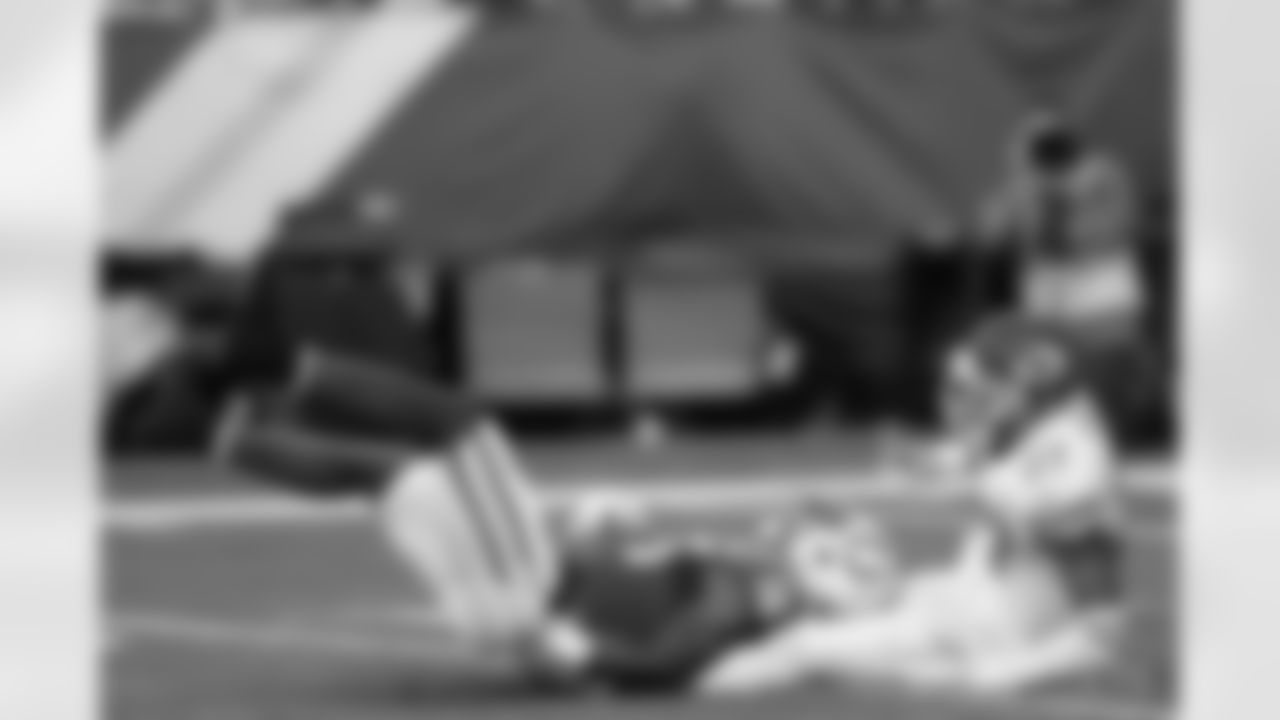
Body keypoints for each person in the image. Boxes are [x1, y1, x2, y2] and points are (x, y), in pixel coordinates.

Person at [214, 349, 901, 695]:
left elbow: (671, 658)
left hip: (531, 588)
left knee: (462, 424)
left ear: (821, 566)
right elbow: (635, 601)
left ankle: (297, 368)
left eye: (814, 539)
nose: (784, 529)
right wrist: (597, 532)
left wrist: (583, 654)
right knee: (395, 477)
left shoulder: (752, 594)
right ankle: (238, 441)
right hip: (524, 594)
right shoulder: (744, 588)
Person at [698, 315, 1127, 695]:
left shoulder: (1070, 476)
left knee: (805, 647)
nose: (964, 403)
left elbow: (1101, 635)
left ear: (1031, 388)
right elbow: (967, 466)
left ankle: (673, 684)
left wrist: (992, 676)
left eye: (985, 390)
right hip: (965, 604)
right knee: (816, 599)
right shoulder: (1037, 430)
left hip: (986, 636)